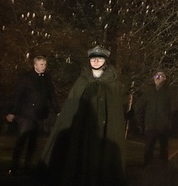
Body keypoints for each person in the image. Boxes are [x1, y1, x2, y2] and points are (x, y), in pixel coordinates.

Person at [38, 46, 126, 185]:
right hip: (82, 127)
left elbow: (114, 110)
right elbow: (72, 107)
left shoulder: (112, 83)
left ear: (105, 61)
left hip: (103, 129)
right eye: (93, 58)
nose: (96, 61)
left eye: (100, 58)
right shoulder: (82, 81)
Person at [5, 55, 59, 175]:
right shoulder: (26, 77)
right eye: (41, 64)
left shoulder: (47, 78)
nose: (44, 67)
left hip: (39, 115)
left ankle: (27, 165)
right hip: (26, 114)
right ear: (35, 65)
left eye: (45, 64)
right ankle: (14, 165)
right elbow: (17, 95)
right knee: (21, 140)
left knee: (33, 143)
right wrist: (11, 111)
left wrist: (57, 111)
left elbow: (51, 96)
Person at [135, 70, 176, 165]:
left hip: (163, 125)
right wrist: (132, 112)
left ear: (165, 79)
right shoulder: (149, 91)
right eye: (157, 76)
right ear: (153, 78)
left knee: (163, 149)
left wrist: (171, 121)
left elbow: (174, 107)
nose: (158, 78)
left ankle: (163, 169)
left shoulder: (169, 91)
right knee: (148, 148)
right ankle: (147, 167)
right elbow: (139, 104)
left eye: (161, 76)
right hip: (150, 124)